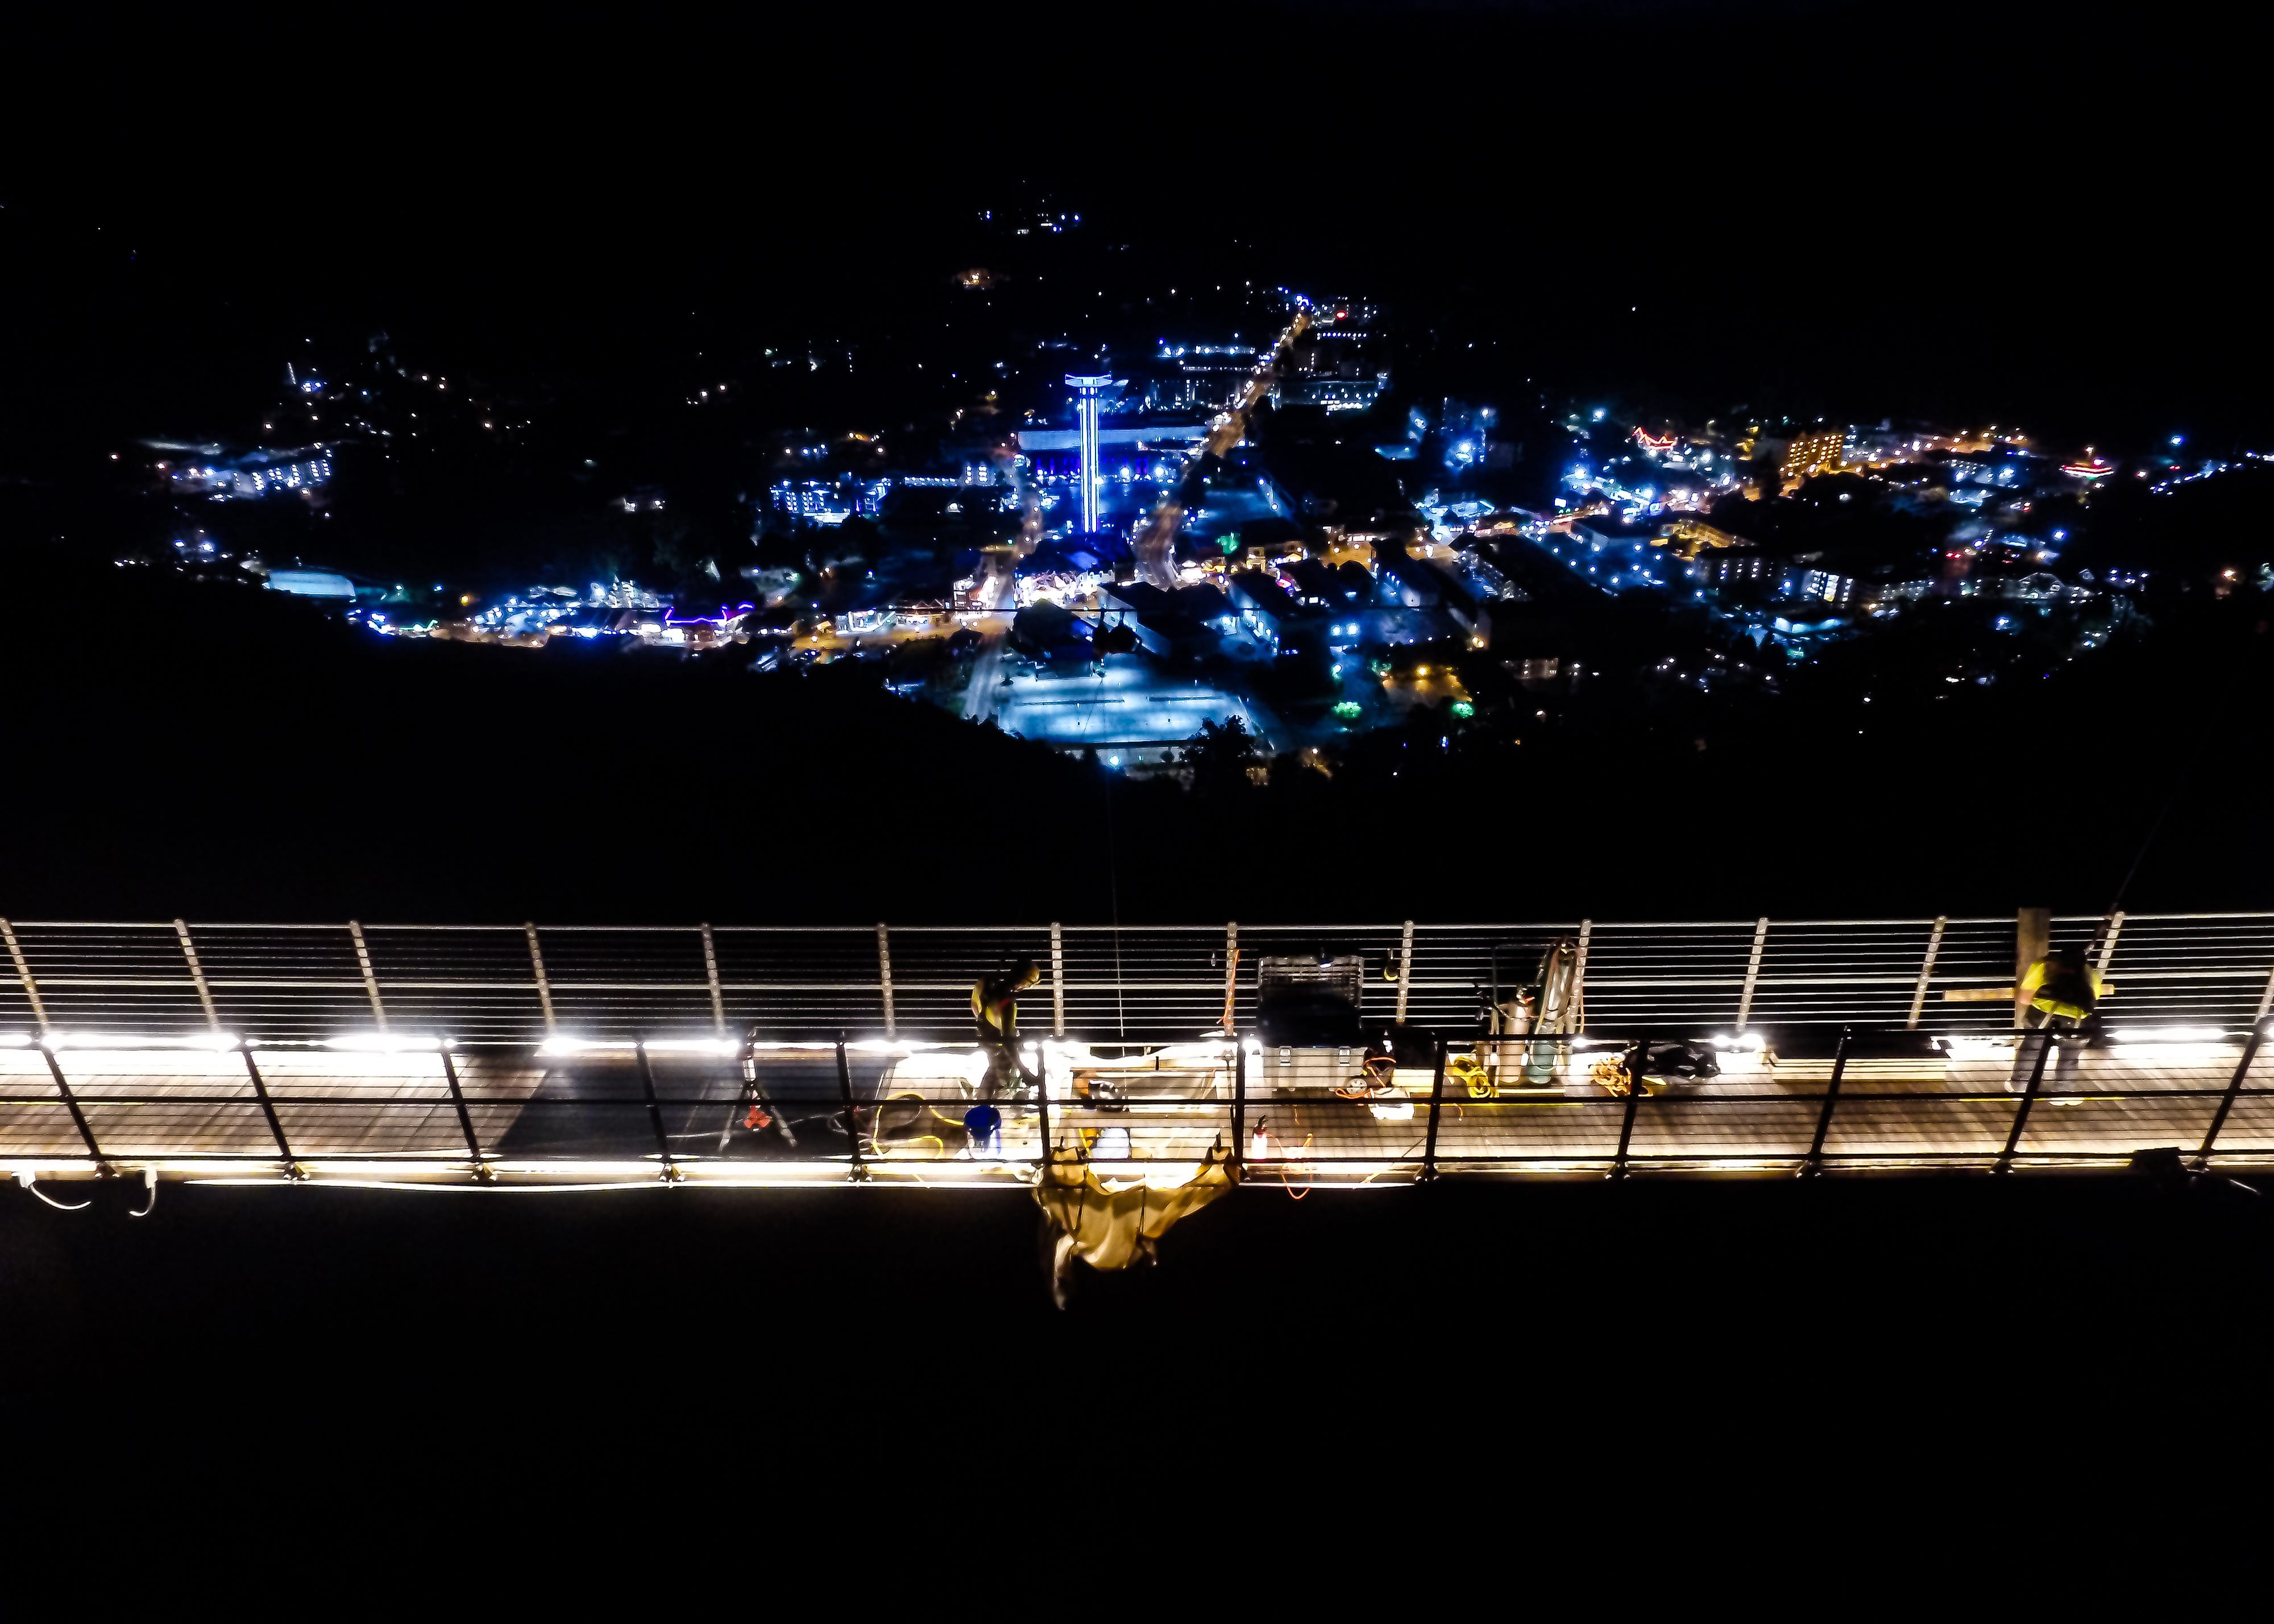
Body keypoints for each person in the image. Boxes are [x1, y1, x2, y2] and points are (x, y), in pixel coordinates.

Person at [2010, 946, 2106, 1092]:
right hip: (2076, 1023)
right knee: (2070, 1055)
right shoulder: (2089, 973)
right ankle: (2062, 1091)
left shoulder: (2043, 965)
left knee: (2031, 1050)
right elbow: (2093, 1000)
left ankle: (2020, 1085)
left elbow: (2024, 999)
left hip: (2041, 1019)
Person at [972, 960, 1042, 1100]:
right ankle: (989, 1104)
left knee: (993, 1067)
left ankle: (981, 1100)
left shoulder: (986, 981)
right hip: (997, 1045)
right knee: (1004, 1077)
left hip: (983, 1036)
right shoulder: (1008, 1004)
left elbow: (974, 1006)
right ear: (1023, 984)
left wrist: (987, 1021)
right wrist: (1025, 1072)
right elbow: (1008, 1042)